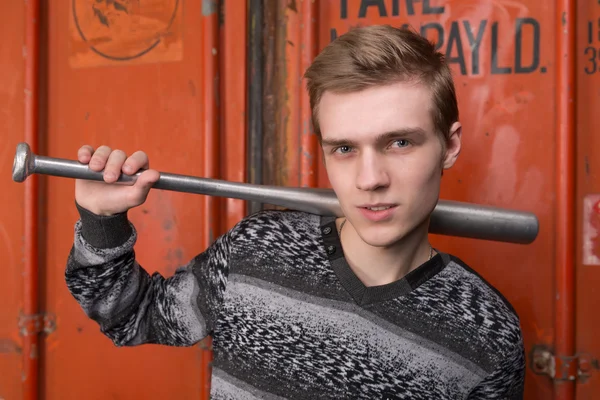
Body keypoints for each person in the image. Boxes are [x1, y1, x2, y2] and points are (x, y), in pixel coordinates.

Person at [65, 25, 525, 399]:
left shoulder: (487, 333)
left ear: (450, 145)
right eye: (344, 148)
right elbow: (133, 317)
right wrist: (100, 219)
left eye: (399, 142)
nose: (369, 179)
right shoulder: (258, 250)